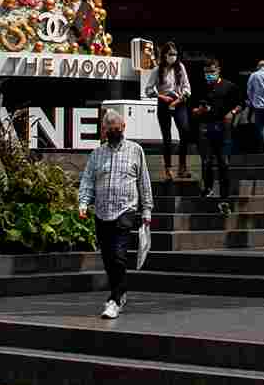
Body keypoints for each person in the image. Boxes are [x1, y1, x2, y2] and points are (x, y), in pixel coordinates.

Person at [76, 105, 152, 320]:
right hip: (102, 211)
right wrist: (83, 203)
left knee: (119, 256)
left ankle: (115, 299)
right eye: (108, 128)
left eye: (115, 127)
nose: (112, 131)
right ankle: (120, 291)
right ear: (103, 130)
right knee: (109, 259)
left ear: (123, 127)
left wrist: (147, 210)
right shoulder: (97, 154)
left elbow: (143, 182)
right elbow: (88, 180)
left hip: (125, 210)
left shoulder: (135, 150)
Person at [196, 60, 242, 212]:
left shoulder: (229, 86)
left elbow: (241, 103)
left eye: (212, 72)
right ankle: (208, 189)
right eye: (206, 72)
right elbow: (193, 109)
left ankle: (225, 197)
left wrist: (232, 113)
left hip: (223, 129)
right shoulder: (202, 87)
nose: (209, 75)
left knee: (224, 163)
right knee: (206, 161)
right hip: (206, 128)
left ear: (218, 70)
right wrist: (199, 111)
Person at [153, 41, 194, 179]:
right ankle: (168, 168)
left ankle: (182, 167)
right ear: (164, 55)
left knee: (185, 131)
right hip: (164, 102)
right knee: (167, 137)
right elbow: (148, 89)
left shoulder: (180, 67)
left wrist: (180, 99)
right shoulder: (157, 70)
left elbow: (187, 87)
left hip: (179, 102)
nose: (173, 56)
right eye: (171, 54)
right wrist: (161, 97)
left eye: (175, 54)